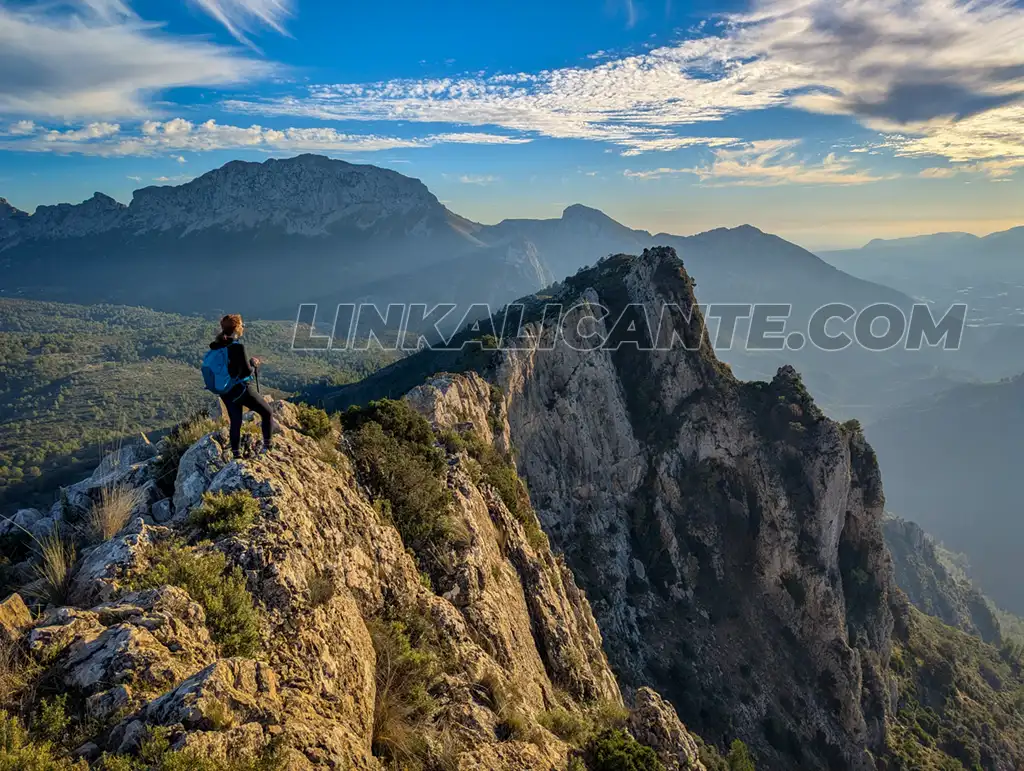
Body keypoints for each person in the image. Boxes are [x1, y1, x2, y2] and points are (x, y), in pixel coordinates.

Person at [209, 314, 274, 458]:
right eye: (242, 325)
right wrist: (253, 363)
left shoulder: (216, 346)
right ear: (237, 328)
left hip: (225, 391)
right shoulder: (238, 347)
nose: (243, 327)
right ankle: (267, 447)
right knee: (267, 412)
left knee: (236, 421)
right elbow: (246, 371)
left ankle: (236, 455)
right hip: (242, 389)